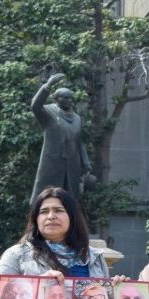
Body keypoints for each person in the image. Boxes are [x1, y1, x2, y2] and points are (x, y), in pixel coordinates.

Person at [0, 187, 109, 279]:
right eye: (44, 212)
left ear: (72, 217)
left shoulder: (93, 257)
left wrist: (119, 289)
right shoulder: (16, 255)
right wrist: (38, 284)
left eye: (58, 210)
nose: (51, 216)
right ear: (36, 219)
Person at [30, 73, 91, 203]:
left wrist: (86, 163)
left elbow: (79, 142)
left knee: (69, 201)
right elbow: (35, 106)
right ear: (56, 99)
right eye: (65, 97)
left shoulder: (77, 119)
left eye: (70, 98)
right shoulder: (48, 112)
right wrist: (47, 86)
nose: (69, 100)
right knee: (45, 197)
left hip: (72, 164)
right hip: (52, 162)